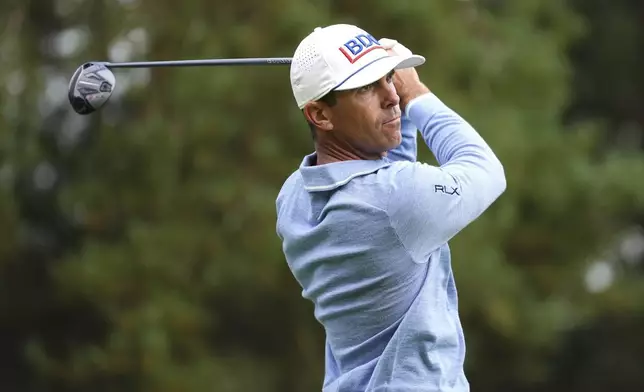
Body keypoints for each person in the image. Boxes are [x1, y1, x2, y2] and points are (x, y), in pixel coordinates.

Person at [275, 23, 506, 392]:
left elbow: (382, 168)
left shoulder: (293, 199)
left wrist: (381, 87)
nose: (391, 96)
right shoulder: (391, 200)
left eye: (388, 79)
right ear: (320, 114)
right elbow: (485, 171)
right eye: (367, 87)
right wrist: (415, 92)